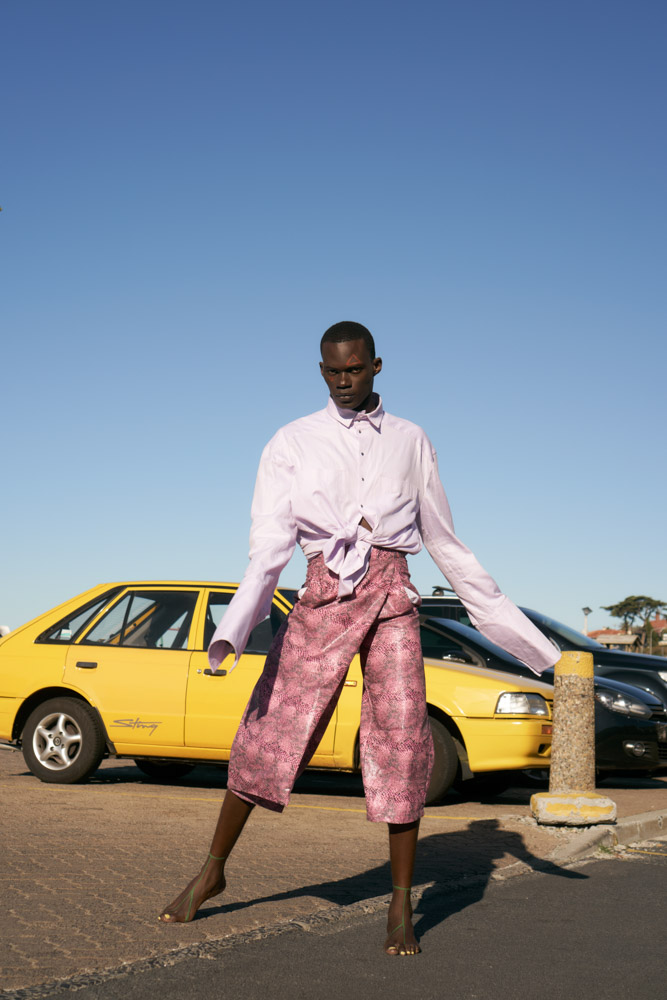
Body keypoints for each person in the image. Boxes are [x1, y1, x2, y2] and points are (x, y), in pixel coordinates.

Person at [158, 321, 558, 955]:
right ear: (320, 370)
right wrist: (234, 627)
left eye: (353, 369)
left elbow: (443, 539)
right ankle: (212, 869)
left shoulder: (411, 439)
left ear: (376, 366)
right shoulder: (291, 441)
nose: (342, 381)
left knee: (403, 738)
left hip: (394, 596)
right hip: (323, 593)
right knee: (271, 730)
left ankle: (400, 903)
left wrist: (526, 641)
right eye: (331, 371)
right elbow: (270, 544)